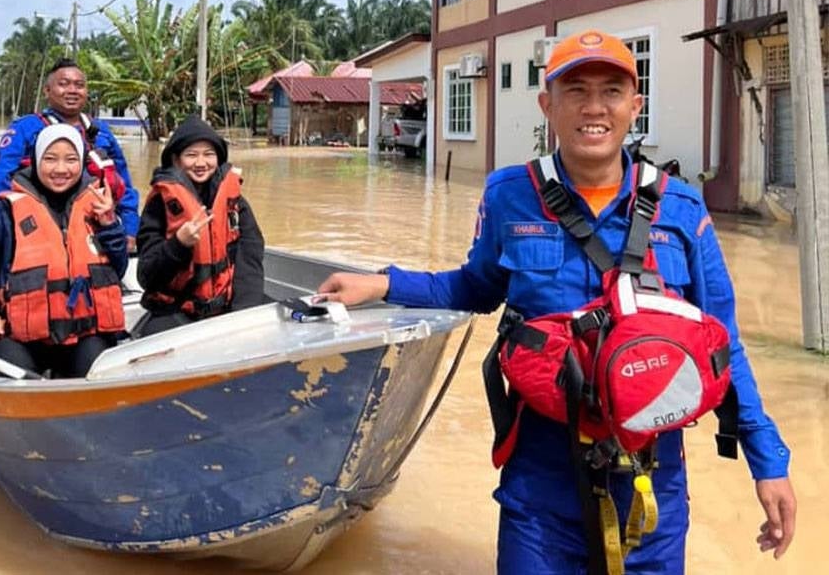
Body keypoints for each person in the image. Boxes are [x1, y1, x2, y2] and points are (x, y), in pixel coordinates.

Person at [317, 30, 796, 573]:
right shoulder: (508, 195)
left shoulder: (682, 209)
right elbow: (473, 290)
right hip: (541, 480)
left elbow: (724, 344)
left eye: (612, 92)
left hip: (651, 478)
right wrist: (382, 284)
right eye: (576, 91)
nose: (594, 108)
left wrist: (768, 462)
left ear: (635, 107)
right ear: (548, 105)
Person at [0, 124, 129, 378]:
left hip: (83, 334)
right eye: (50, 159)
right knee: (15, 374)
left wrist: (109, 225)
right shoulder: (4, 210)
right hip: (20, 337)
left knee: (98, 371)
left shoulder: (98, 203)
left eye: (71, 159)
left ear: (82, 163)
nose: (61, 169)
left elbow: (118, 269)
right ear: (37, 159)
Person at [0, 58, 140, 250]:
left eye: (79, 85)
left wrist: (130, 230)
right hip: (37, 231)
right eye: (63, 84)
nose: (72, 90)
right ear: (47, 91)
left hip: (94, 230)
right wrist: (0, 236)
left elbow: (123, 184)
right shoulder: (25, 129)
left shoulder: (101, 131)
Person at [136, 114, 265, 336]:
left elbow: (250, 258)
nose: (201, 163)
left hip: (226, 305)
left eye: (209, 154)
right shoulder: (160, 204)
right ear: (176, 160)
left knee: (266, 326)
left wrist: (242, 314)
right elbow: (146, 276)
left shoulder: (235, 203)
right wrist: (178, 244)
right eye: (191, 155)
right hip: (174, 309)